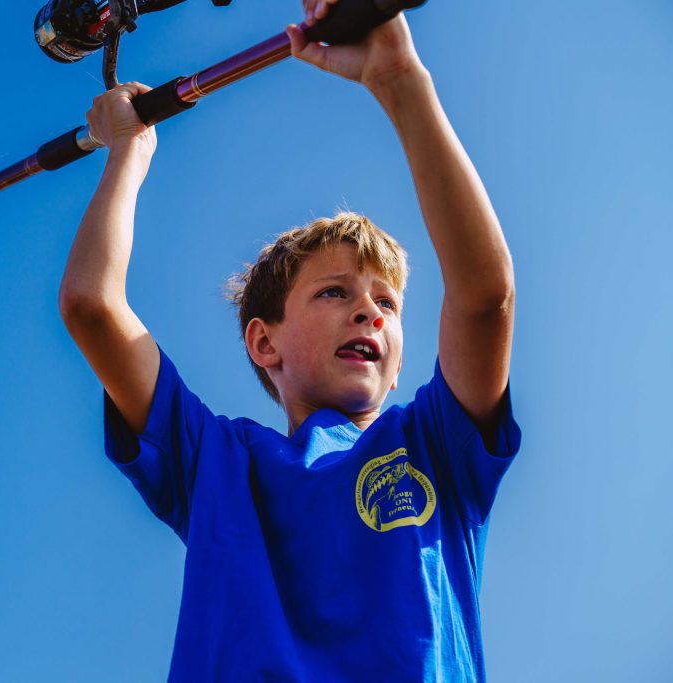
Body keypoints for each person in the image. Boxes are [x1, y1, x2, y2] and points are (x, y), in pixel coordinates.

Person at [58, 1, 520, 680]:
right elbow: (92, 304)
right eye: (335, 292)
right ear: (263, 342)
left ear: (398, 366)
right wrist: (130, 151)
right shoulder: (214, 460)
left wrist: (400, 79)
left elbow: (484, 298)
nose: (369, 313)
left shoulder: (435, 446)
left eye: (387, 304)